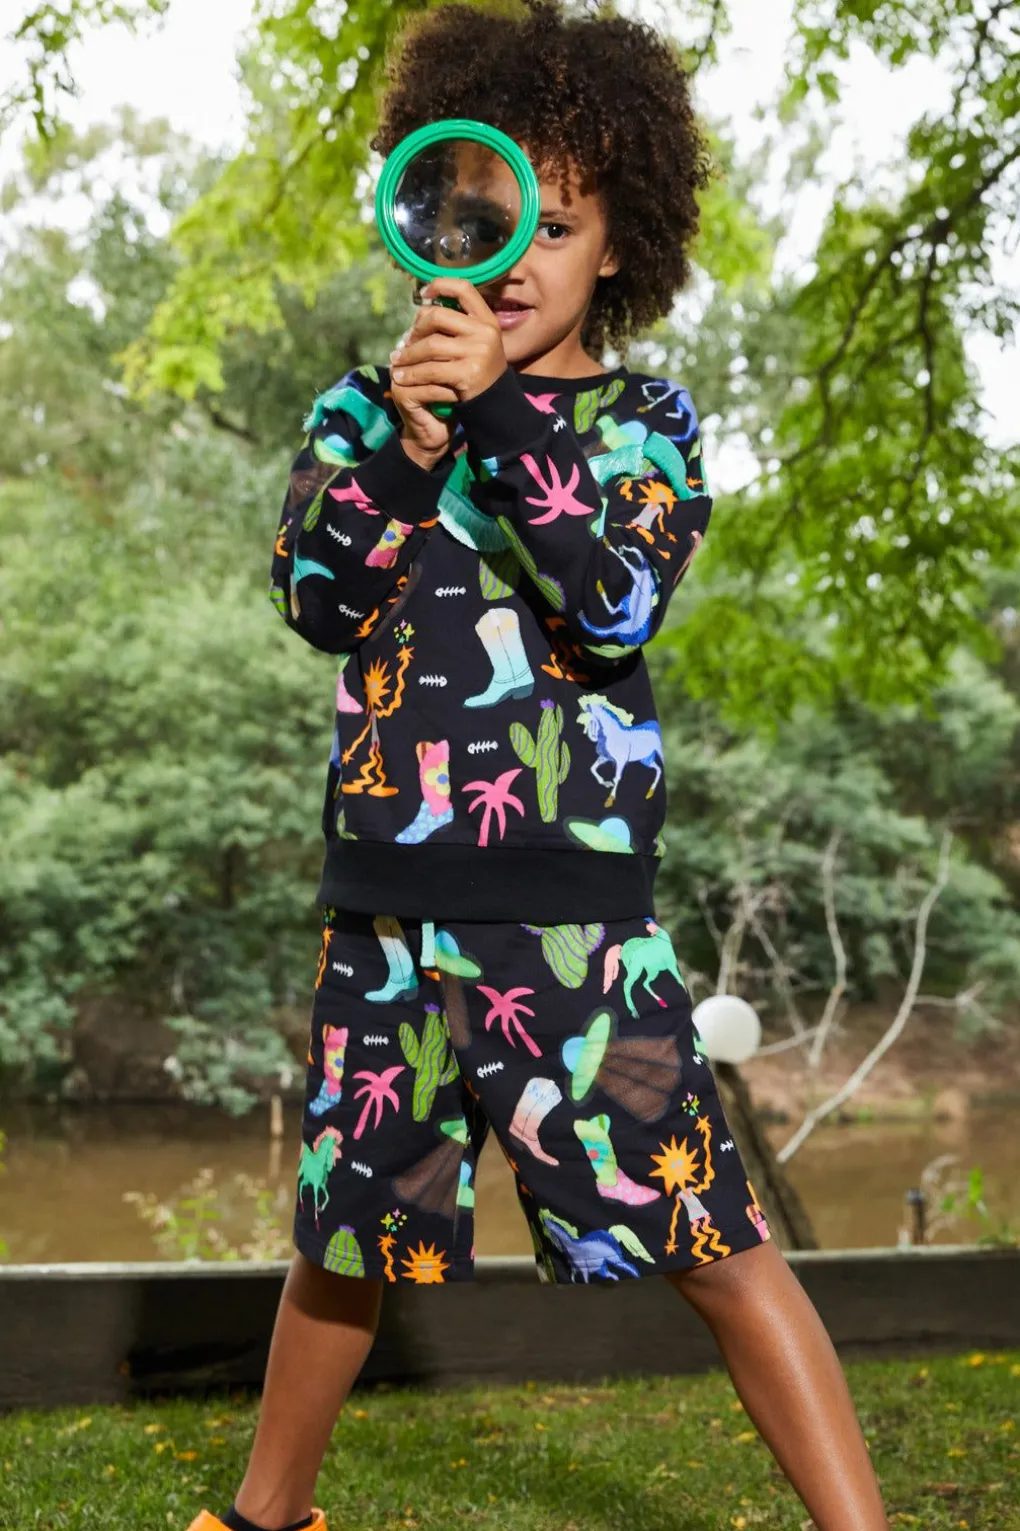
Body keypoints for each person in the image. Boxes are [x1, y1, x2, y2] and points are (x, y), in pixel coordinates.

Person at [187, 3, 889, 1529]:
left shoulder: (646, 423)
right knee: (343, 1245)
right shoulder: (362, 414)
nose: (507, 254)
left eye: (551, 224)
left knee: (713, 1238)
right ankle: (262, 1515)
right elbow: (319, 600)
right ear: (420, 218)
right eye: (474, 214)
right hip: (386, 918)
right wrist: (411, 443)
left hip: (577, 929)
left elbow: (613, 597)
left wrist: (500, 409)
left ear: (621, 244)